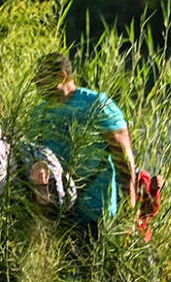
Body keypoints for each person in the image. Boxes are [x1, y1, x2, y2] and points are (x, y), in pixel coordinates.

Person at [28, 52, 137, 240]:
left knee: (96, 266)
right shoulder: (39, 113)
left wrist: (130, 206)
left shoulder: (97, 105)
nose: (36, 83)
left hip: (97, 210)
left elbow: (123, 156)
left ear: (62, 76)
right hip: (57, 212)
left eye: (42, 78)